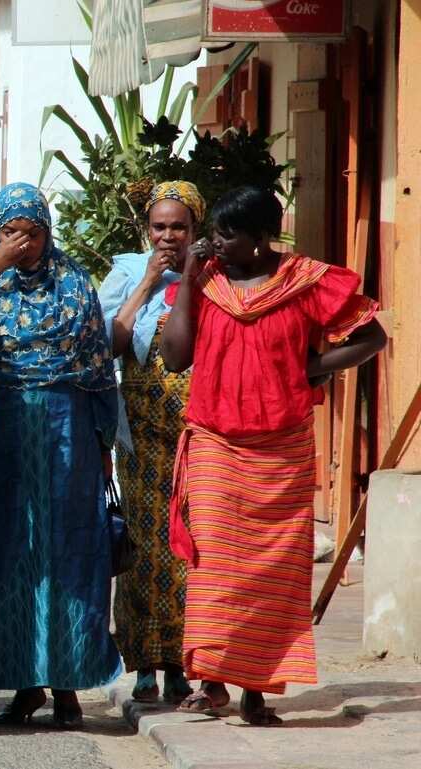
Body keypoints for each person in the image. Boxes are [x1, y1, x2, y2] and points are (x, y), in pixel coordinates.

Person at [162, 186, 386, 725]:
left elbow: (372, 337)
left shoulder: (305, 281)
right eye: (213, 231)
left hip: (281, 449)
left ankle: (255, 689)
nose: (215, 241)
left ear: (262, 239)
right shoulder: (206, 282)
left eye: (228, 234)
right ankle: (211, 680)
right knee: (215, 559)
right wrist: (189, 284)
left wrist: (312, 370)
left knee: (270, 573)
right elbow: (175, 356)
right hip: (215, 438)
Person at [0, 182, 120, 728]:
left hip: (67, 434)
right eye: (9, 232)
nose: (24, 242)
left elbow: (96, 368)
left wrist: (103, 445)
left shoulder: (73, 282)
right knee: (10, 554)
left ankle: (67, 684)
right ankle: (24, 683)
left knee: (67, 556)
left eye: (33, 232)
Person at [98, 181, 203, 705]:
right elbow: (105, 343)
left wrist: (186, 280)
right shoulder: (125, 273)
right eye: (159, 227)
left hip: (197, 432)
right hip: (139, 434)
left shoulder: (212, 275)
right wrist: (146, 282)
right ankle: (142, 661)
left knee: (189, 546)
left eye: (178, 227)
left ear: (195, 230)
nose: (168, 236)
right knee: (143, 545)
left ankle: (183, 662)